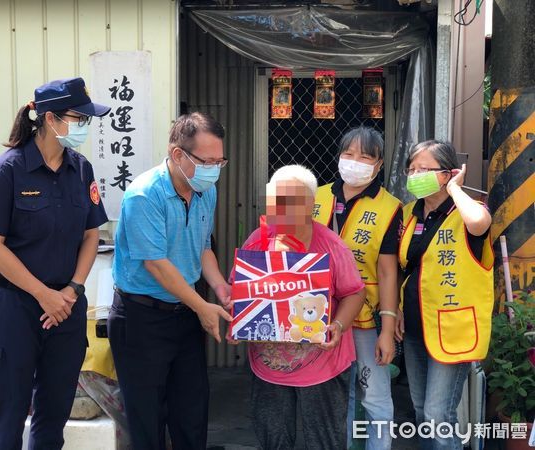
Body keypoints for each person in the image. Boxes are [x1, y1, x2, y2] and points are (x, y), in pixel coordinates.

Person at [0, 77, 110, 449]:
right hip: (13, 309)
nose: (84, 125)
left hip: (65, 308)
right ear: (50, 119)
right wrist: (42, 294)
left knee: (53, 420)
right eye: (78, 118)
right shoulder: (9, 170)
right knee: (8, 419)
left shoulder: (80, 169)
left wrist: (71, 291)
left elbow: (90, 235)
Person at [109, 112, 233, 450]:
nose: (214, 169)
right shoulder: (144, 195)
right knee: (147, 419)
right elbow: (157, 265)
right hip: (141, 318)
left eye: (220, 162)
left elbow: (203, 246)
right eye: (207, 161)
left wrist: (221, 289)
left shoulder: (205, 190)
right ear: (178, 155)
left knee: (192, 412)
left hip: (185, 313)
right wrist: (203, 307)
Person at [233, 165, 365, 449]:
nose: (281, 208)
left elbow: (355, 293)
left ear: (310, 205)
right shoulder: (257, 241)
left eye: (291, 201)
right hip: (269, 368)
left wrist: (338, 326)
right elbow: (239, 291)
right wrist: (238, 320)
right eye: (276, 200)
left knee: (325, 441)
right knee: (273, 439)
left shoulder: (331, 246)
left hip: (323, 367)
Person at [397, 140, 493, 450]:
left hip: (452, 330)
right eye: (411, 169)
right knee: (423, 411)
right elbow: (409, 269)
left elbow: (480, 224)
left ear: (449, 173)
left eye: (423, 169)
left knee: (439, 414)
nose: (415, 175)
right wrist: (397, 308)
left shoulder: (468, 211)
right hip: (414, 327)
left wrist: (455, 191)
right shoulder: (411, 214)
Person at [314, 126, 401, 450]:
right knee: (336, 397)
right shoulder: (316, 196)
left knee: (375, 396)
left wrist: (387, 330)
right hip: (317, 315)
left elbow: (388, 271)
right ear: (338, 157)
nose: (355, 162)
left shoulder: (390, 207)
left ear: (379, 165)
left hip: (365, 320)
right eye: (348, 154)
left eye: (365, 157)